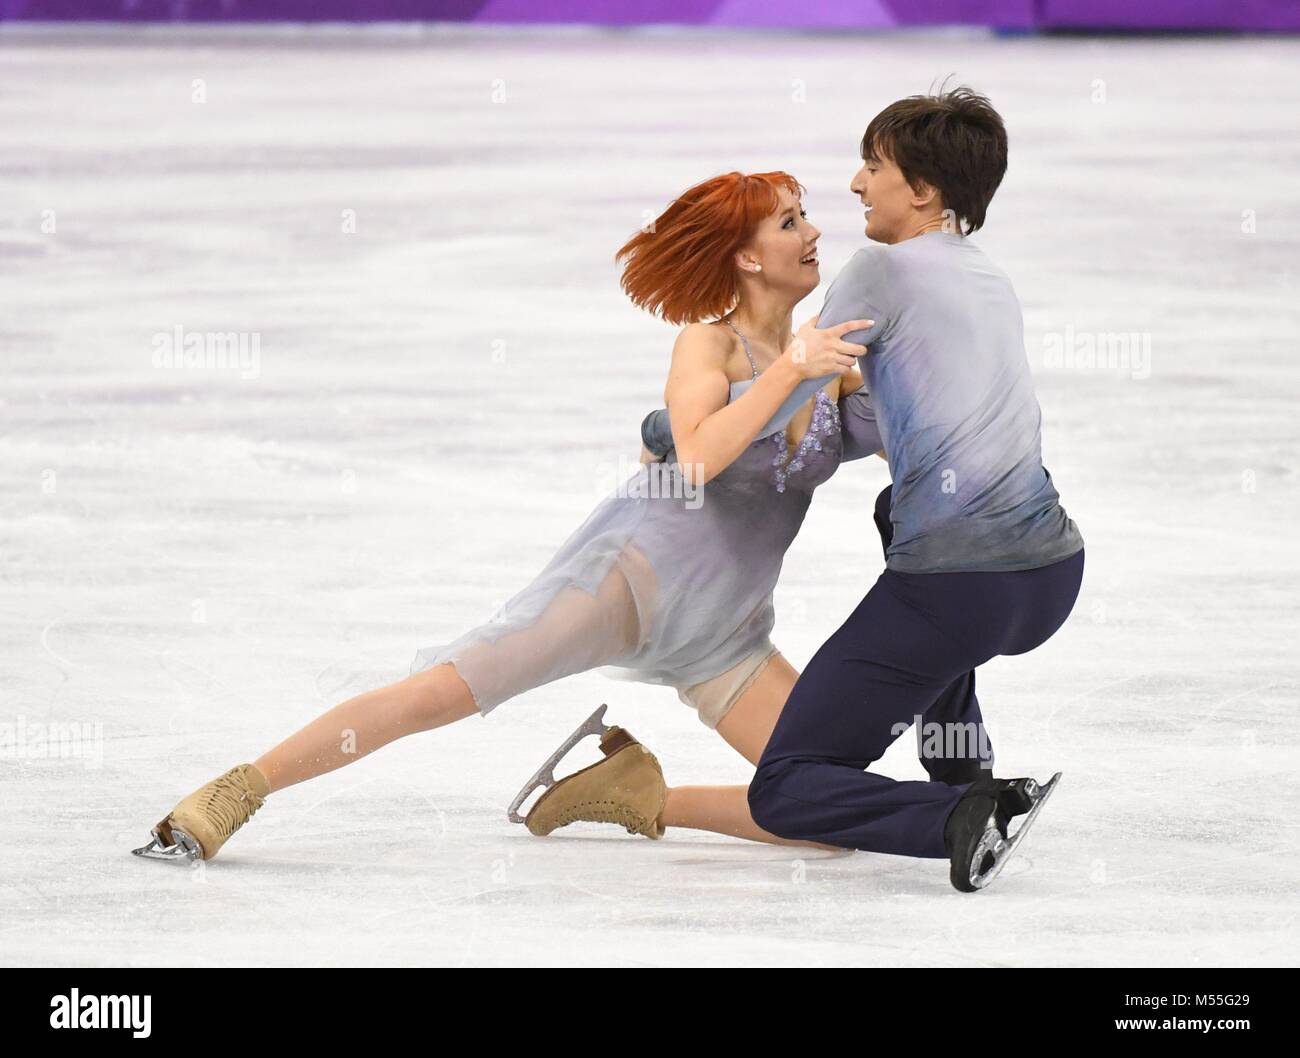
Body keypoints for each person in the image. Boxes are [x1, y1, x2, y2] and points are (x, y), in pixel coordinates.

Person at [132, 170, 894, 864]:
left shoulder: (824, 366)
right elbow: (695, 456)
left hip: (726, 634)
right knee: (442, 691)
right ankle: (238, 790)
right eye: (791, 221)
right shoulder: (711, 345)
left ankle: (638, 796)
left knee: (825, 806)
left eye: (805, 216)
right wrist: (792, 372)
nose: (815, 232)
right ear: (748, 258)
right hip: (628, 581)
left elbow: (908, 436)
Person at [644, 87, 1085, 892]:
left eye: (872, 166)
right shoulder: (989, 280)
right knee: (896, 508)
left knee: (787, 786)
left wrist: (665, 430)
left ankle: (954, 819)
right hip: (1052, 579)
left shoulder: (879, 269)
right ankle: (962, 773)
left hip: (959, 592)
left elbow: (794, 402)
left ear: (921, 190)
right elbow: (877, 423)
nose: (854, 184)